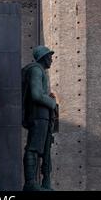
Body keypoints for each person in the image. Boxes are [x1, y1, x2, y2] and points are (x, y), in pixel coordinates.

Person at [22, 45, 59, 191]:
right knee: (34, 148)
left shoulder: (39, 71)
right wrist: (52, 103)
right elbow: (36, 94)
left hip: (42, 116)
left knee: (43, 151)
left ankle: (43, 183)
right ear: (43, 57)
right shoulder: (36, 70)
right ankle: (30, 182)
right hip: (39, 115)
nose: (51, 59)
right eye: (49, 56)